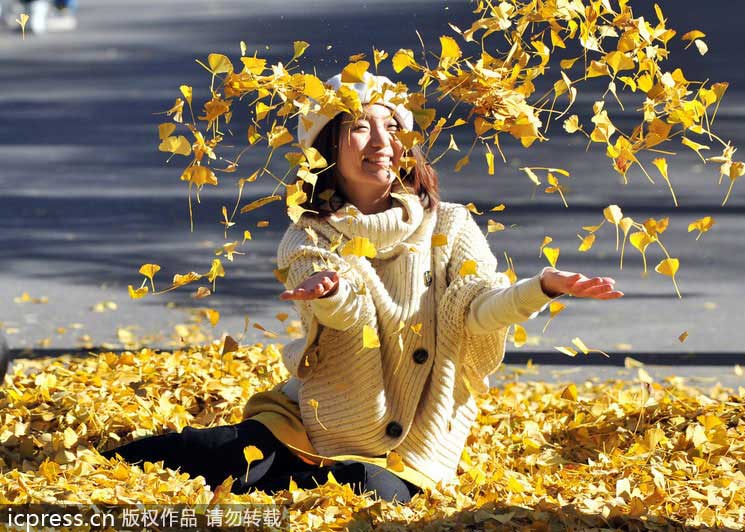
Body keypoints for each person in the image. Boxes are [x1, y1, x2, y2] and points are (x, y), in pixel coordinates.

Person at [102, 72, 623, 504]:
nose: (380, 142)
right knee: (220, 452)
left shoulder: (453, 225)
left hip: (410, 445)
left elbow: (477, 308)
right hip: (315, 419)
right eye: (358, 127)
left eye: (393, 126)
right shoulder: (310, 234)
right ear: (326, 147)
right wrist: (327, 292)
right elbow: (348, 314)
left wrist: (541, 288)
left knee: (362, 488)